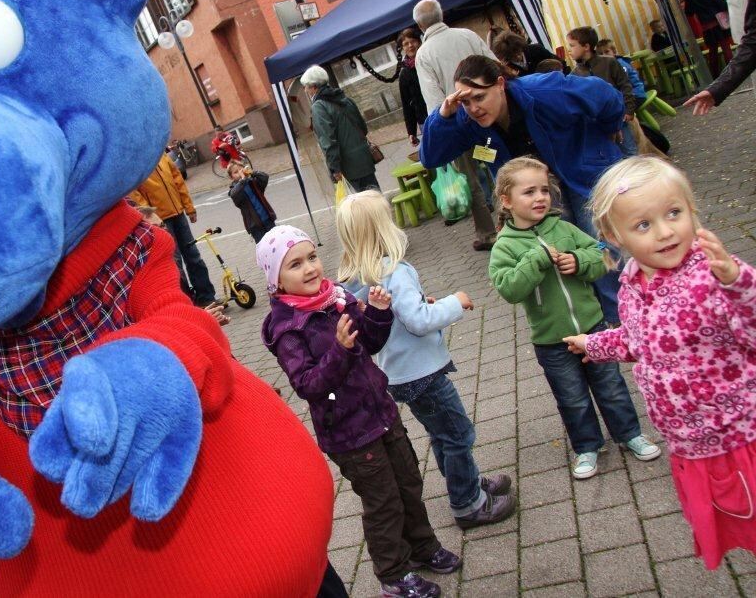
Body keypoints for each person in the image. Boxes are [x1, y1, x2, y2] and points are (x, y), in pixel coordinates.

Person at [564, 156, 756, 569]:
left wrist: (737, 283)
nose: (666, 232)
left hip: (738, 437)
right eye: (644, 225)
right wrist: (592, 344)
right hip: (690, 442)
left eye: (674, 213)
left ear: (692, 211)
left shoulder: (711, 274)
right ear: (614, 236)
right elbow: (640, 341)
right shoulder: (634, 280)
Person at [260, 225, 457, 598]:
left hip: (380, 411)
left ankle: (422, 547)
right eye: (295, 264)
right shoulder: (288, 329)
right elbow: (308, 385)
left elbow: (370, 342)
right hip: (348, 430)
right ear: (275, 280)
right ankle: (393, 574)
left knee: (409, 483)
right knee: (382, 501)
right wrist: (339, 349)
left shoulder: (336, 297)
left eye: (312, 257)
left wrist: (379, 314)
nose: (310, 268)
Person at [336, 191, 517, 529]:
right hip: (423, 373)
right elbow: (417, 321)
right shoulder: (395, 270)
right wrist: (454, 302)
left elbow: (396, 315)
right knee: (458, 434)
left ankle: (467, 482)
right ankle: (468, 504)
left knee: (442, 434)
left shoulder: (362, 276)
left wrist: (419, 302)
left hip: (401, 373)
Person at [418, 55, 626, 325]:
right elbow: (430, 157)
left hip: (583, 176)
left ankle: (622, 321)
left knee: (601, 249)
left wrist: (610, 131)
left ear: (500, 84)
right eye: (465, 101)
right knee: (563, 257)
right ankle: (592, 325)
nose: (473, 108)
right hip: (538, 194)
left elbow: (607, 97)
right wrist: (444, 115)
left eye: (479, 97)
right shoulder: (467, 121)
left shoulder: (544, 90)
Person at [488, 158, 659, 480]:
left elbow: (601, 255)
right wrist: (536, 259)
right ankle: (587, 446)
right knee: (572, 399)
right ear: (507, 201)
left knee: (611, 387)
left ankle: (629, 433)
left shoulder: (563, 227)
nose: (540, 197)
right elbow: (509, 288)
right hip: (552, 341)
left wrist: (579, 261)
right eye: (529, 192)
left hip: (593, 329)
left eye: (544, 190)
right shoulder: (505, 247)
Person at [413, 0, 497, 251]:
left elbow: (435, 102)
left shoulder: (424, 54)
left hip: (459, 127)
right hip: (487, 117)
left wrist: (442, 135)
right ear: (443, 14)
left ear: (419, 24)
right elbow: (494, 65)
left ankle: (488, 233)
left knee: (471, 179)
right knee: (496, 167)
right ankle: (511, 223)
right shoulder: (467, 35)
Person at [129, 154, 218, 306]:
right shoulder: (134, 161)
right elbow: (135, 194)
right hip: (161, 220)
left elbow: (178, 180)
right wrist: (152, 216)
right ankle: (188, 304)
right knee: (175, 264)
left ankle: (207, 297)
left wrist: (189, 207)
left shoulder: (162, 156)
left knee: (194, 256)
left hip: (178, 214)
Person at [301, 65, 381, 192]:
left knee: (366, 205)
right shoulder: (345, 98)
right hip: (364, 157)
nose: (305, 90)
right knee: (376, 196)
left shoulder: (319, 107)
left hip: (348, 164)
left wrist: (335, 168)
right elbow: (363, 128)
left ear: (314, 86)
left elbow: (328, 141)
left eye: (306, 86)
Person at [567, 26, 637, 157]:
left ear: (586, 46)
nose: (569, 50)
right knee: (610, 156)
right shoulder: (573, 75)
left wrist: (629, 109)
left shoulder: (609, 62)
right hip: (597, 123)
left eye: (572, 45)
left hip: (618, 116)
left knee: (629, 151)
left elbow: (625, 85)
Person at [683, 0, 733, 78]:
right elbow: (723, 5)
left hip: (705, 27)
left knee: (712, 52)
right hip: (718, 24)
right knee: (726, 48)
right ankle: (732, 73)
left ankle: (714, 76)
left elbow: (688, 12)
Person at [227, 160, 276, 243]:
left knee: (277, 242)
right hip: (254, 225)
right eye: (236, 172)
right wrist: (242, 180)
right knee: (263, 247)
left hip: (267, 219)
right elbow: (234, 194)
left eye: (240, 169)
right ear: (232, 177)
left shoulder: (252, 182)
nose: (239, 172)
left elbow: (265, 177)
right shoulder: (234, 190)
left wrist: (252, 172)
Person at [397, 28, 428, 148]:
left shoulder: (429, 60)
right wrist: (411, 132)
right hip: (424, 120)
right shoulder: (404, 74)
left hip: (443, 111)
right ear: (403, 48)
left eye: (413, 41)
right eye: (405, 44)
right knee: (439, 155)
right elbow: (407, 104)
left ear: (419, 42)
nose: (410, 46)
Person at [489, 30, 562, 77]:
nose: (517, 57)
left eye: (518, 52)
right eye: (512, 57)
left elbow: (560, 64)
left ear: (521, 46)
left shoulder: (536, 49)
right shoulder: (508, 68)